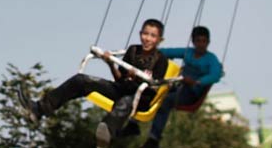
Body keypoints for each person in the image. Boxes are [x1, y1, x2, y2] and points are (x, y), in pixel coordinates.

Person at [17, 19, 170, 147]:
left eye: (152, 36)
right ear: (140, 34)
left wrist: (137, 78)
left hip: (140, 98)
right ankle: (40, 108)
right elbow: (119, 79)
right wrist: (110, 63)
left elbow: (153, 88)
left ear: (159, 40)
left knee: (125, 102)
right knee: (80, 80)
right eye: (145, 34)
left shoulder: (160, 60)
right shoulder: (133, 50)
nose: (147, 39)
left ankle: (106, 133)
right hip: (121, 88)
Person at [142, 25, 223, 147]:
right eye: (198, 41)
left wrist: (197, 82)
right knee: (150, 90)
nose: (201, 44)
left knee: (166, 101)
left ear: (208, 42)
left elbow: (215, 75)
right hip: (178, 85)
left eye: (204, 41)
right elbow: (168, 52)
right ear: (193, 41)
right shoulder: (188, 52)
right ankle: (133, 121)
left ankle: (154, 139)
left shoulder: (211, 59)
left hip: (191, 93)